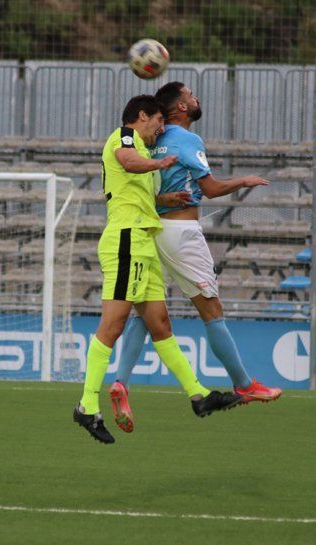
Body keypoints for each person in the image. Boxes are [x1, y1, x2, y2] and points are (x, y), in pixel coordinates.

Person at [109, 82, 281, 433]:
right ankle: (245, 385)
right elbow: (212, 189)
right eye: (190, 95)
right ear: (181, 108)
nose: (196, 98)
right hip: (182, 235)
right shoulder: (187, 140)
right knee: (212, 311)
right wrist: (243, 180)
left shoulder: (148, 140)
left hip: (152, 231)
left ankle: (121, 383)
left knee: (147, 313)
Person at [73, 95, 240, 445]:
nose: (161, 128)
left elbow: (137, 189)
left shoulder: (146, 153)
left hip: (143, 242)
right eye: (157, 121)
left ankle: (198, 395)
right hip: (125, 240)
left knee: (161, 325)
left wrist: (167, 200)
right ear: (141, 116)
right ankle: (87, 406)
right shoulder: (124, 137)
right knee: (113, 324)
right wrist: (160, 163)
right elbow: (128, 163)